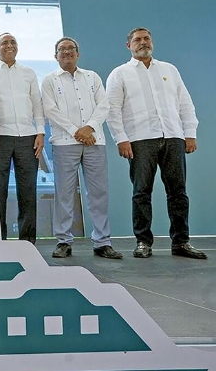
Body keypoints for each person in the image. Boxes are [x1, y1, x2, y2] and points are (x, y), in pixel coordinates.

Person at [106, 27, 206, 260]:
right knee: (141, 192)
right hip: (140, 140)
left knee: (178, 192)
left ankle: (181, 242)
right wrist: (121, 139)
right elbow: (112, 111)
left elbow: (185, 104)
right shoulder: (120, 74)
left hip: (173, 137)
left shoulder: (169, 70)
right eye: (137, 40)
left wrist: (189, 133)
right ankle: (143, 241)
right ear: (128, 45)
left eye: (146, 38)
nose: (143, 43)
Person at [42, 37, 122, 259]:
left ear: (78, 53)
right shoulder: (49, 80)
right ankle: (63, 241)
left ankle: (102, 242)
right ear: (56, 55)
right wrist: (77, 131)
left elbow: (103, 105)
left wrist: (90, 128)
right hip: (64, 142)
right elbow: (50, 110)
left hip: (94, 141)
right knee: (64, 193)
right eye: (61, 49)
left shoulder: (92, 77)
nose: (66, 52)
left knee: (98, 192)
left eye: (71, 49)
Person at [0, 33, 45, 244]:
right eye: (4, 43)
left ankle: (27, 242)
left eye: (13, 42)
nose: (9, 45)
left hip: (28, 137)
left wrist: (40, 132)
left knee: (28, 191)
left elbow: (36, 104)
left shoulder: (29, 73)